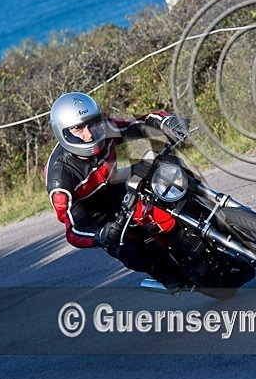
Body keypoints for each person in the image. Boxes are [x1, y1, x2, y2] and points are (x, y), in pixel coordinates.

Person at [44, 91, 189, 286]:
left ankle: (209, 205)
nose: (89, 134)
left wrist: (167, 122)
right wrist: (99, 235)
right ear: (63, 132)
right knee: (127, 247)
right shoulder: (59, 179)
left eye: (91, 123)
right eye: (78, 129)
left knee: (167, 165)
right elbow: (74, 229)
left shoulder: (104, 130)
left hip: (119, 187)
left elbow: (138, 124)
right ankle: (167, 276)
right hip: (101, 218)